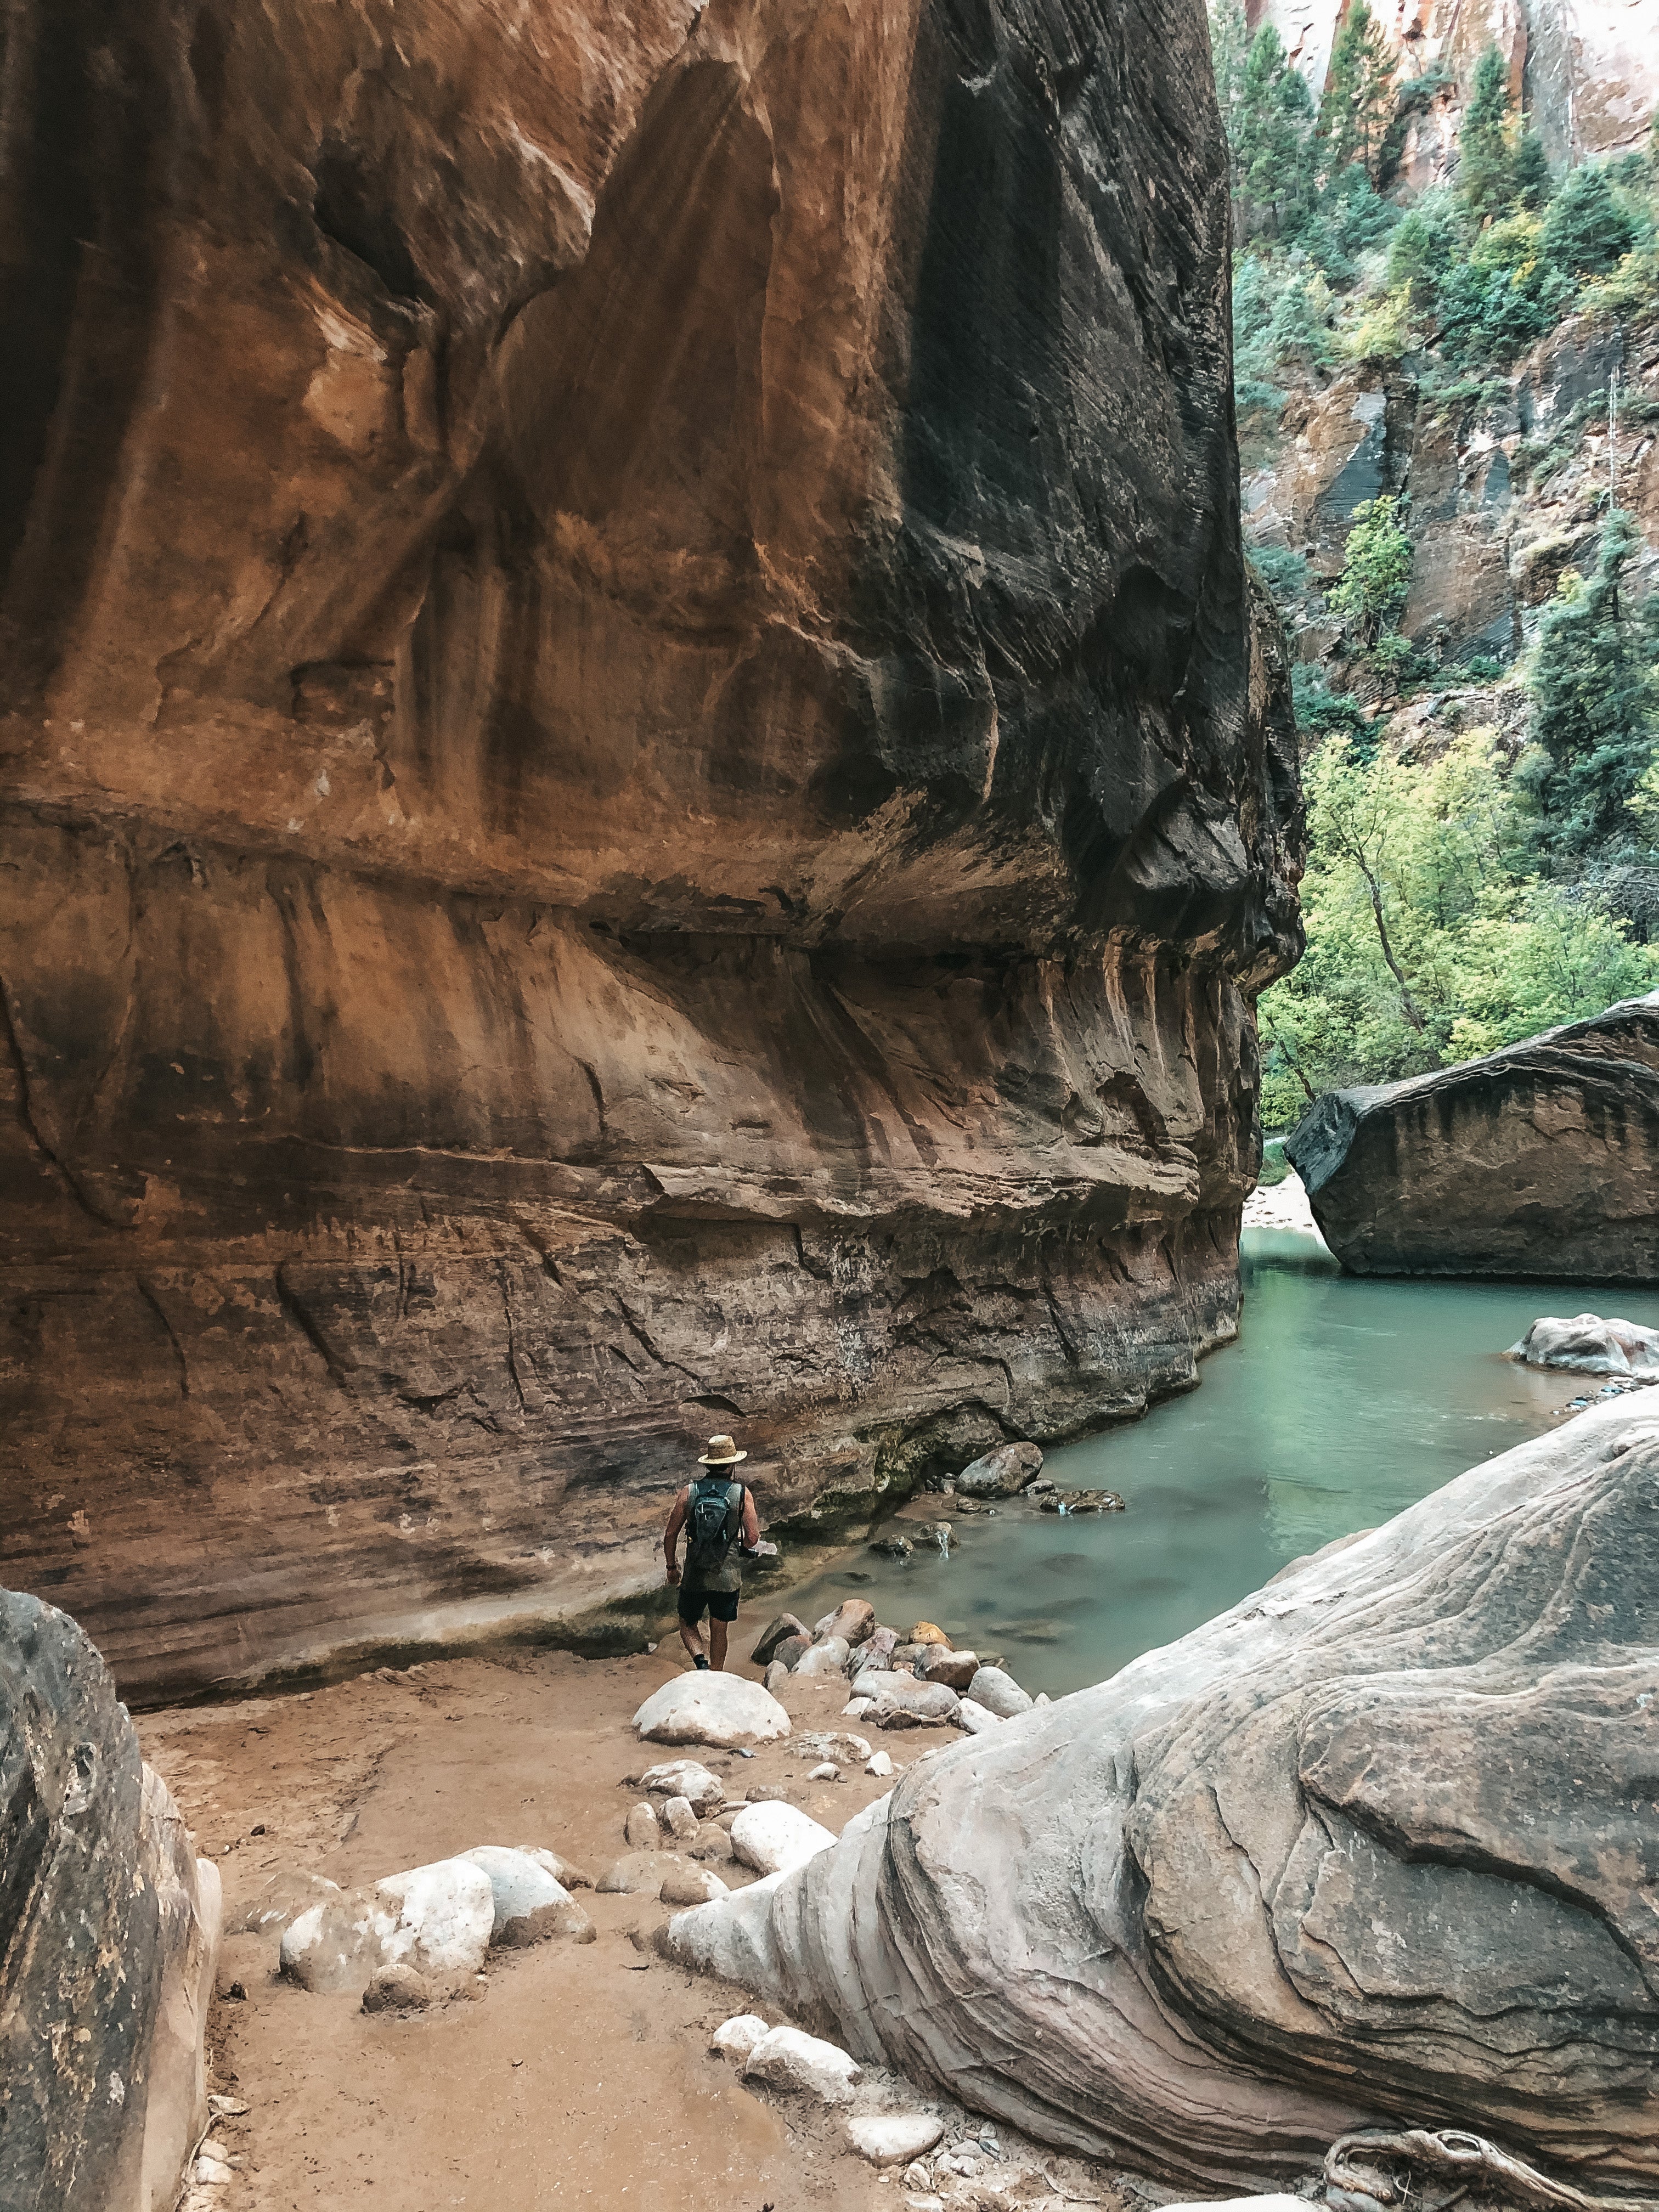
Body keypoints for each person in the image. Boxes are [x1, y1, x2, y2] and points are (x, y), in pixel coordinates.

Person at [663, 1434, 760, 1671]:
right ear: (732, 1464)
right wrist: (739, 1547)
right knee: (720, 1629)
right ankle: (716, 1674)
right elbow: (752, 1538)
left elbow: (670, 1535)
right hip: (726, 1577)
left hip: (695, 1573)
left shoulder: (690, 1492)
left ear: (707, 1463)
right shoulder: (742, 1493)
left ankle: (700, 1663)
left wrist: (672, 1568)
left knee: (687, 1623)